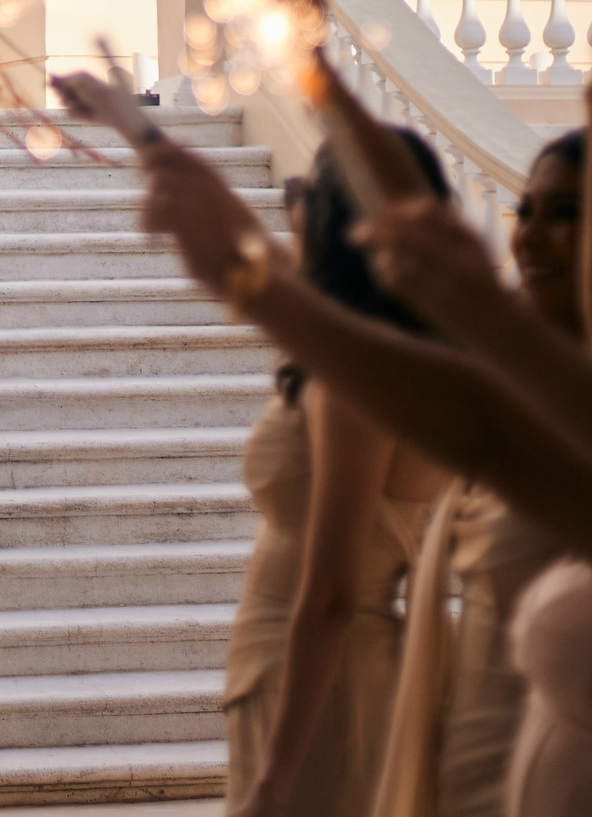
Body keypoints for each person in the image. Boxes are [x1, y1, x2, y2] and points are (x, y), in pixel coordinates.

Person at [58, 67, 592, 817]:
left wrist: (254, 279)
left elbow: (486, 414)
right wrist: (283, 97)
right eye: (529, 210)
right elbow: (433, 278)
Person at [373, 122, 592, 817]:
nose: (531, 235)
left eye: (568, 212)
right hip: (470, 752)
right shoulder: (511, 375)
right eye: (528, 210)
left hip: (561, 775)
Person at [224, 136, 451, 817]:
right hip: (324, 669)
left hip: (319, 677)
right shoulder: (409, 354)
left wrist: (272, 780)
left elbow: (331, 593)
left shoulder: (358, 381)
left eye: (312, 196)